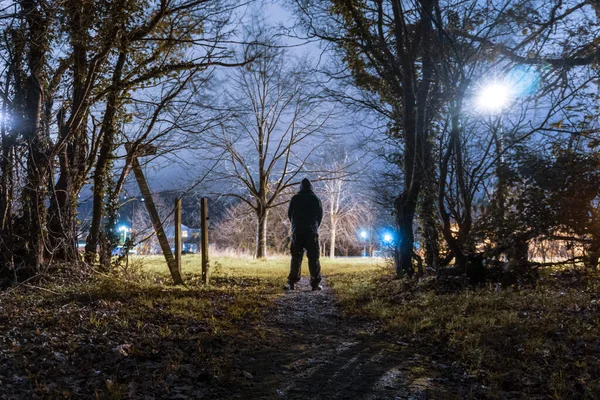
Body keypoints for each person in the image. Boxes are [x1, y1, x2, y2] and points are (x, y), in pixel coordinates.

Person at [287, 178, 323, 291]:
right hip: (311, 231)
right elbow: (320, 215)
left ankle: (292, 282)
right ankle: (315, 283)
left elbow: (290, 214)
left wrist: (295, 226)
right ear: (311, 187)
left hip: (297, 231)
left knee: (296, 257)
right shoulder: (315, 199)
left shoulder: (295, 199)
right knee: (313, 258)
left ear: (301, 187)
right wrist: (315, 226)